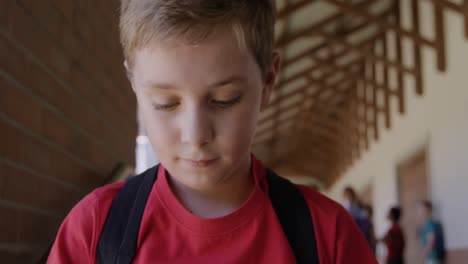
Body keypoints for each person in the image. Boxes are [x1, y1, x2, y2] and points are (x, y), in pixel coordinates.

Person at [47, 1, 377, 263]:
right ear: (134, 85)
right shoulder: (93, 231)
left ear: (268, 81)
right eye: (165, 103)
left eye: (224, 99)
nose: (195, 134)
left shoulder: (327, 236)